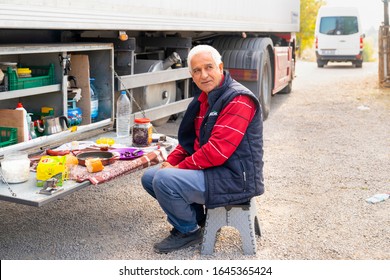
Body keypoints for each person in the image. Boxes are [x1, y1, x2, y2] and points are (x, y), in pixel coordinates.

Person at [141, 44, 264, 254]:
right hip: (216, 171)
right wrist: (171, 162)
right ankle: (199, 221)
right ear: (191, 75)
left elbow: (216, 152)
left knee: (164, 179)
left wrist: (177, 169)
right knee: (151, 176)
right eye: (197, 71)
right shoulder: (206, 99)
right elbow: (192, 143)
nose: (204, 75)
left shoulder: (238, 100)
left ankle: (188, 231)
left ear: (220, 67)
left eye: (209, 67)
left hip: (235, 178)